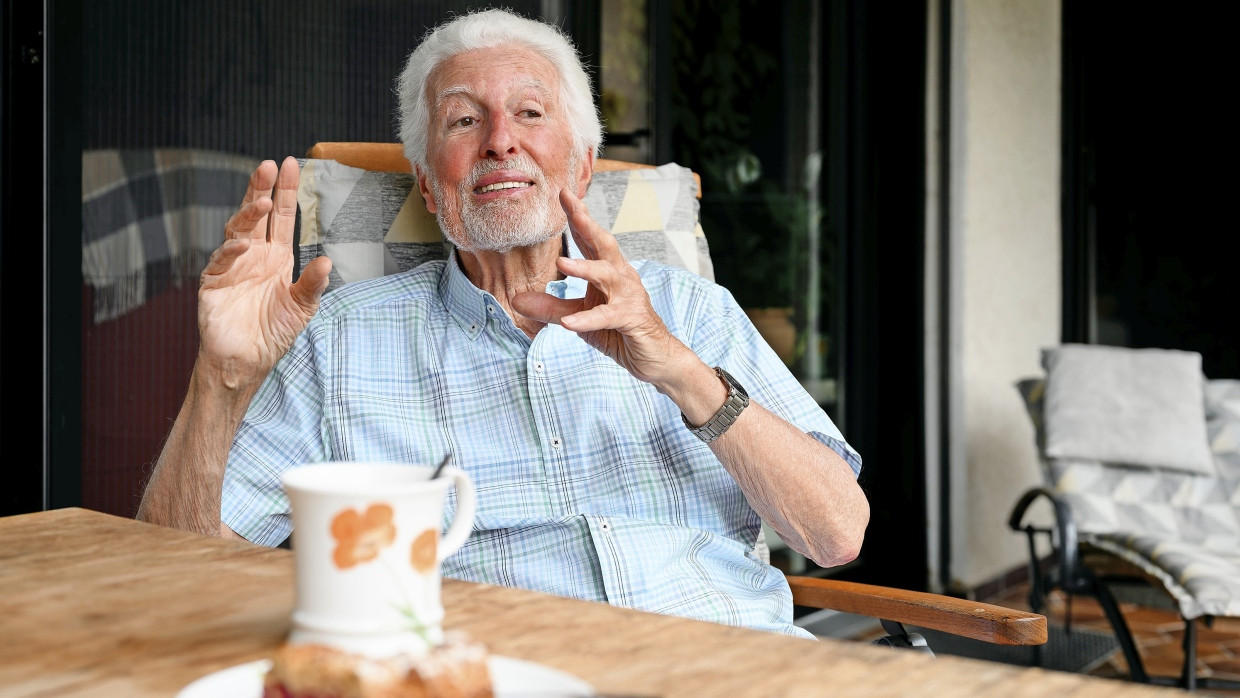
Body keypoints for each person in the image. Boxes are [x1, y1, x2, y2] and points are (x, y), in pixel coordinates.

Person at [137, 8, 868, 639]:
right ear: (428, 180)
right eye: (463, 119)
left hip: (735, 663)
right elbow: (176, 580)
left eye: (529, 112)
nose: (499, 141)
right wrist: (222, 376)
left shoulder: (690, 311)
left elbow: (835, 533)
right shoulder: (335, 339)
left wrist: (678, 369)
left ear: (581, 167)